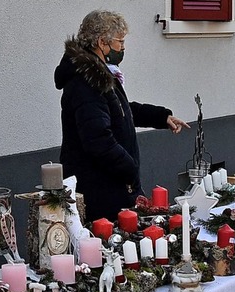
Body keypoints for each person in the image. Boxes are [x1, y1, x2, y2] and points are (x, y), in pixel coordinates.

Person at [54, 10, 189, 222]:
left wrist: (161, 117)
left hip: (110, 185)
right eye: (120, 41)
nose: (123, 48)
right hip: (100, 191)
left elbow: (121, 110)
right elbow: (98, 139)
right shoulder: (87, 82)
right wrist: (129, 169)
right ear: (102, 42)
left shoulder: (100, 74)